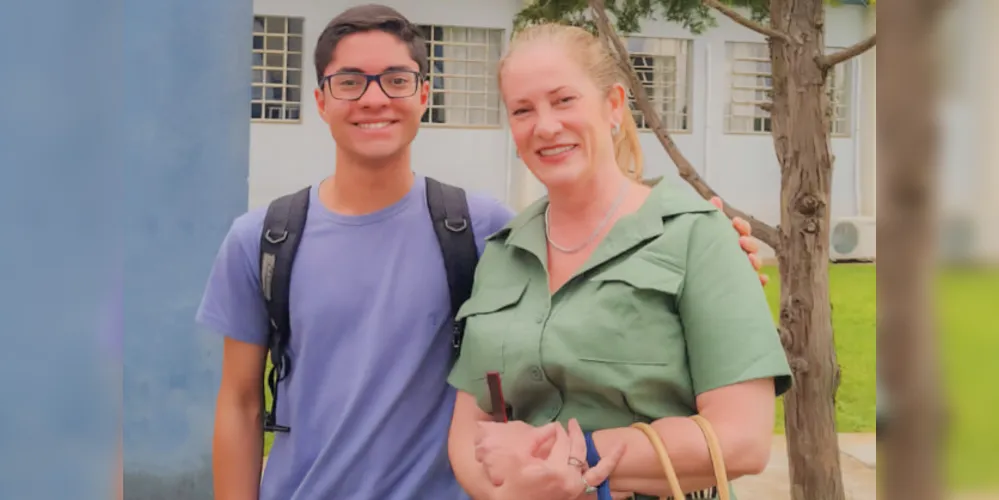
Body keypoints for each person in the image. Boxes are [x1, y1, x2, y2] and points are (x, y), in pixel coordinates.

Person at [196, 5, 766, 499]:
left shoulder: (478, 228)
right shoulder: (266, 239)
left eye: (396, 79)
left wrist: (711, 249)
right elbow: (240, 404)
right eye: (350, 82)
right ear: (321, 100)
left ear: (424, 95)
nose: (374, 98)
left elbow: (606, 242)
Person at [445, 23, 793, 500]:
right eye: (522, 110)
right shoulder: (502, 252)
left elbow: (742, 440)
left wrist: (572, 459)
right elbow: (469, 430)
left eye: (564, 100)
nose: (545, 126)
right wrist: (509, 493)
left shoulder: (697, 235)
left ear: (613, 105)